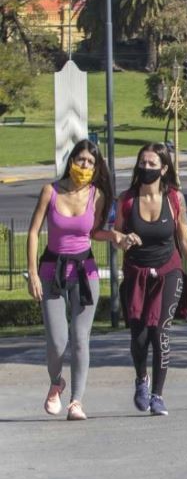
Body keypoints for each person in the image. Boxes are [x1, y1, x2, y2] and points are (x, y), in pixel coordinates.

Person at [26, 139, 115, 421]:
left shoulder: (97, 196)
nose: (84, 166)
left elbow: (96, 232)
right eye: (80, 160)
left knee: (79, 339)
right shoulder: (50, 191)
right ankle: (56, 382)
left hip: (85, 271)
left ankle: (76, 401)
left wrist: (116, 236)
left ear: (96, 167)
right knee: (57, 341)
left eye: (90, 162)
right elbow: (32, 233)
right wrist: (32, 274)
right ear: (71, 161)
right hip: (52, 271)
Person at [114, 143, 187, 416]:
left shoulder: (175, 199)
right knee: (139, 336)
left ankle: (158, 395)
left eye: (152, 164)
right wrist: (123, 239)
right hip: (137, 273)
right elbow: (115, 235)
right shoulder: (126, 200)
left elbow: (184, 238)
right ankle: (142, 379)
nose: (146, 168)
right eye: (143, 163)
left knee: (160, 332)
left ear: (164, 169)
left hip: (169, 271)